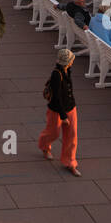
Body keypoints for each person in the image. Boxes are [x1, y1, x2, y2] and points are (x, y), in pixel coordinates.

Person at [39, 47, 80, 175]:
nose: (73, 62)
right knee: (53, 132)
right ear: (67, 62)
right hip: (57, 110)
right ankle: (45, 145)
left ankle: (70, 162)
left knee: (72, 136)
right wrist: (63, 116)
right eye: (71, 60)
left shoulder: (67, 70)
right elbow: (56, 97)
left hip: (70, 107)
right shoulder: (57, 74)